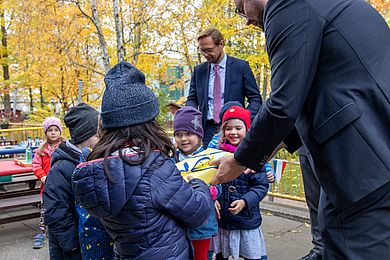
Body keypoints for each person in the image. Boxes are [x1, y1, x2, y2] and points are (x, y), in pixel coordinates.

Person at [213, 0, 390, 259]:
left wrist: (239, 161)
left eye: (240, 9)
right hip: (373, 150)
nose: (247, 21)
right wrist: (274, 144)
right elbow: (326, 90)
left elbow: (283, 103)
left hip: (360, 166)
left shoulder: (287, 5)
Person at [72, 61, 212, 259]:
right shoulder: (154, 167)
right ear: (147, 123)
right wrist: (198, 184)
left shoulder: (98, 168)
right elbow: (197, 213)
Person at [186, 28, 262, 147]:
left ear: (221, 44)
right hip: (208, 130)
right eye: (202, 51)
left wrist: (244, 119)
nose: (206, 55)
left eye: (209, 50)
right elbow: (192, 99)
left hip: (233, 130)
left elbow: (255, 99)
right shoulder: (199, 71)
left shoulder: (241, 67)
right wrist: (190, 116)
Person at [211, 106, 269, 260]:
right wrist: (213, 198)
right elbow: (211, 181)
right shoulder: (217, 155)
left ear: (247, 129)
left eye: (238, 128)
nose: (233, 132)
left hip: (246, 219)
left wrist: (245, 201)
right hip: (223, 219)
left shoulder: (254, 156)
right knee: (221, 253)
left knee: (251, 253)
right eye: (228, 128)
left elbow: (261, 186)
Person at [43, 103, 100, 260]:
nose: (101, 139)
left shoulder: (89, 159)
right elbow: (56, 210)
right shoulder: (63, 167)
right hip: (72, 247)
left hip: (87, 241)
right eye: (97, 135)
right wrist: (72, 245)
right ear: (84, 137)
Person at [173, 106, 220, 260]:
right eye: (178, 134)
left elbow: (218, 184)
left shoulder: (209, 158)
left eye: (188, 133)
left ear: (199, 135)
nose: (183, 139)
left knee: (201, 256)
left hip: (202, 224)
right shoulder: (172, 160)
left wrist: (210, 192)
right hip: (178, 223)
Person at [32, 116, 65, 249]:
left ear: (60, 131)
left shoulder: (64, 146)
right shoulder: (41, 151)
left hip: (62, 185)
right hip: (47, 186)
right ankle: (41, 232)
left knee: (63, 207)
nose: (53, 132)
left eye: (55, 130)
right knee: (44, 210)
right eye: (50, 130)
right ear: (45, 132)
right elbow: (35, 166)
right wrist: (42, 177)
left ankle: (62, 231)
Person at [298, 146, 323, 260]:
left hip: (332, 145)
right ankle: (319, 249)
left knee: (330, 202)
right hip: (305, 145)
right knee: (314, 201)